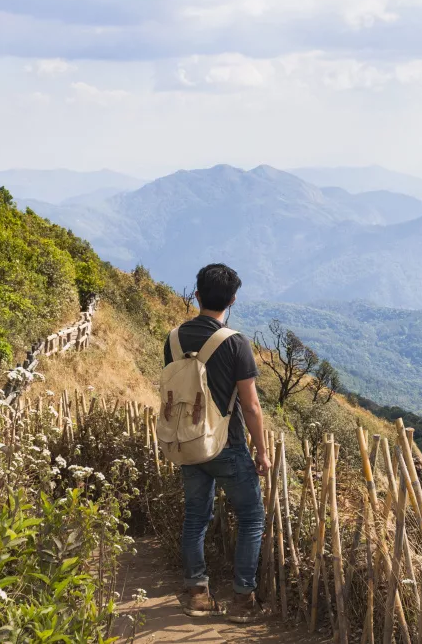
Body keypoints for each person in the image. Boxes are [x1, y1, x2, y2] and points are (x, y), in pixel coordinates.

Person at [165, 263, 270, 623]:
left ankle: (196, 594)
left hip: (188, 441)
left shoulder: (173, 339)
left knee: (195, 516)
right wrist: (263, 451)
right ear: (232, 300)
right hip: (228, 445)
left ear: (196, 295)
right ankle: (243, 599)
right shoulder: (236, 342)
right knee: (252, 517)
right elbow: (251, 405)